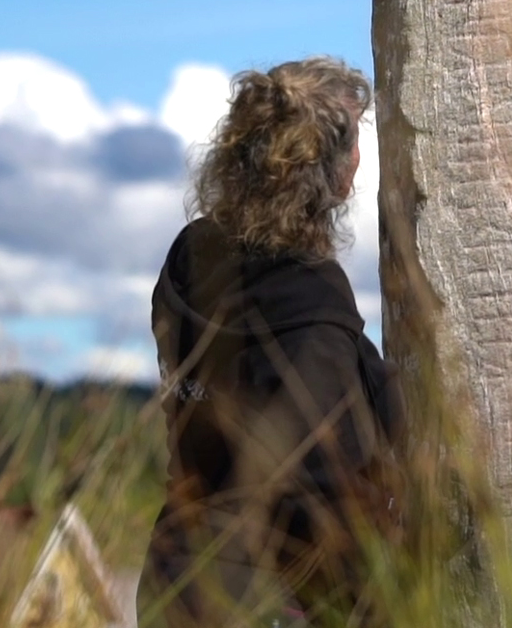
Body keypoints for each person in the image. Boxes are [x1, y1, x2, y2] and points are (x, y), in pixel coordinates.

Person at [136, 57, 405, 628]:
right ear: (331, 173)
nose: (361, 156)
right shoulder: (311, 300)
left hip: (176, 579)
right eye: (355, 139)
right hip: (274, 602)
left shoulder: (192, 258)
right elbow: (323, 483)